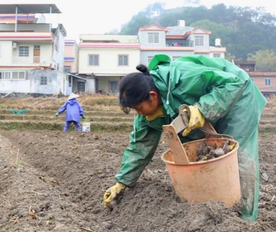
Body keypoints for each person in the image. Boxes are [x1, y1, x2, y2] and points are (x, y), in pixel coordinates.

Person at [103, 55, 266, 221]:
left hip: (238, 94)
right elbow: (139, 147)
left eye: (139, 108)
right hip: (212, 100)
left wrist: (201, 110)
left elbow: (232, 83)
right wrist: (122, 182)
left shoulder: (185, 77)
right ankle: (208, 210)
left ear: (152, 95)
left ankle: (244, 219)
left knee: (234, 155)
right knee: (198, 155)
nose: (138, 113)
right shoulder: (147, 113)